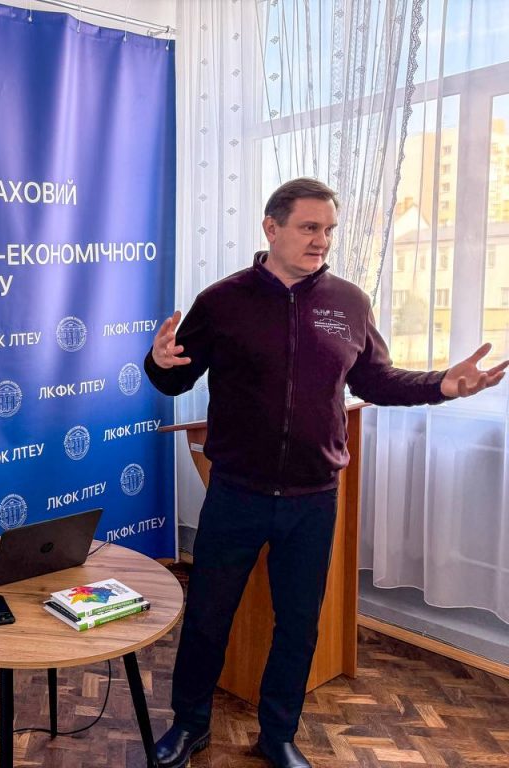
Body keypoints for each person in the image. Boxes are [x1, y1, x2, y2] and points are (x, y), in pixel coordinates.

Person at [145, 177, 507, 768]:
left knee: (298, 625)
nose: (321, 240)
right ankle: (189, 725)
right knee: (208, 615)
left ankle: (278, 735)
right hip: (235, 491)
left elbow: (377, 380)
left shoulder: (349, 302)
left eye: (328, 230)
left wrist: (443, 384)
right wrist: (158, 362)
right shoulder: (223, 300)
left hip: (313, 497)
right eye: (309, 227)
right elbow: (175, 377)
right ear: (272, 227)